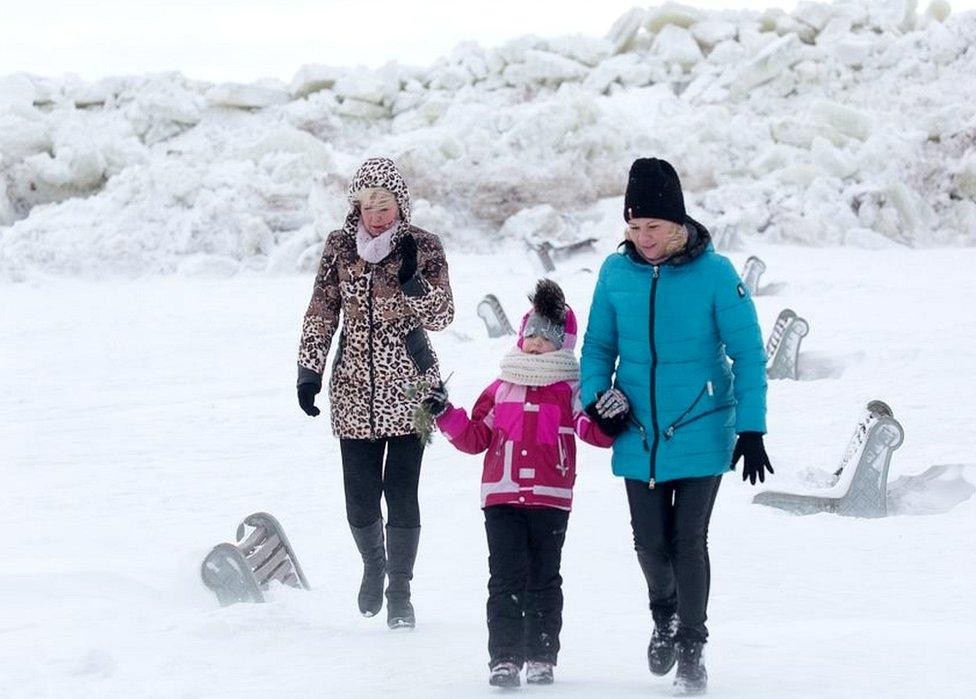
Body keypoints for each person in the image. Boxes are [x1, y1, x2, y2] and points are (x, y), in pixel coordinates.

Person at [580, 158, 773, 695]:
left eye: (654, 228)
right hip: (636, 429)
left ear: (678, 224)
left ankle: (692, 644)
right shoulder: (616, 274)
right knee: (649, 543)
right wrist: (596, 400)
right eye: (635, 228)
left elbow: (748, 354)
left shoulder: (716, 274)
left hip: (703, 427)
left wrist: (751, 427)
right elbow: (598, 347)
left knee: (689, 540)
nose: (644, 238)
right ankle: (663, 615)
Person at [424, 280, 618, 688]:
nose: (534, 344)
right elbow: (476, 438)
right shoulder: (500, 387)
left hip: (551, 499)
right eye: (530, 334)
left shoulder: (570, 389)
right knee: (506, 578)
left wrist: (609, 419)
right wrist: (445, 414)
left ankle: (542, 656)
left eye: (545, 338)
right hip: (501, 498)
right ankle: (505, 659)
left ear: (563, 343)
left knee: (545, 578)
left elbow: (591, 432)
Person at [296, 157, 454, 629]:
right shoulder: (340, 247)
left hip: (411, 390)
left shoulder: (423, 246)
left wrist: (412, 281)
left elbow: (443, 315)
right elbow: (322, 311)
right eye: (368, 206)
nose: (377, 215)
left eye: (385, 206)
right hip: (352, 393)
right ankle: (373, 564)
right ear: (357, 207)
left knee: (401, 494)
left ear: (400, 205)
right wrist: (308, 369)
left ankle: (400, 591)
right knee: (361, 501)